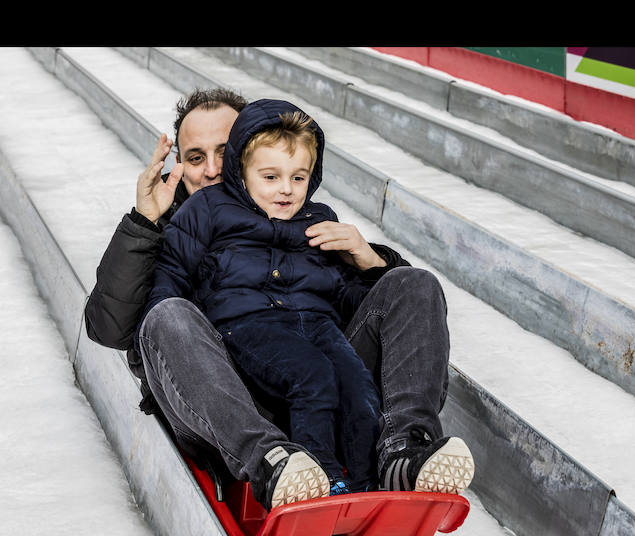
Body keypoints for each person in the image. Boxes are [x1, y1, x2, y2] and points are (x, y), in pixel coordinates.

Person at [83, 87, 474, 511]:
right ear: (179, 163)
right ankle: (270, 462)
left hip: (317, 373)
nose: (213, 169)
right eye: (196, 157)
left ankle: (402, 450)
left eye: (225, 151)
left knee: (413, 282)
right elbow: (113, 327)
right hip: (225, 394)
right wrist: (144, 224)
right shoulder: (179, 222)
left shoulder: (304, 215)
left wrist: (370, 261)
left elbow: (355, 302)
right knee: (168, 315)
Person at [141, 100, 382, 497]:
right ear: (245, 171)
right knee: (313, 376)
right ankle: (315, 477)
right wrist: (162, 360)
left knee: (357, 387)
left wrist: (374, 268)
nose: (286, 189)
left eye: (299, 178)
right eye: (271, 176)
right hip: (246, 328)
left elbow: (340, 288)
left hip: (315, 325)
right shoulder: (207, 210)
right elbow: (169, 281)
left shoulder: (317, 219)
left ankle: (364, 481)